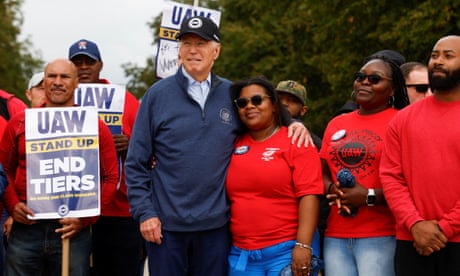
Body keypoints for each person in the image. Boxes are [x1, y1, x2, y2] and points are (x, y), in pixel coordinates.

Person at [125, 16, 311, 276]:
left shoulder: (231, 94)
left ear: (216, 51)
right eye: (187, 43)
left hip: (216, 228)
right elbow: (136, 163)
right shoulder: (157, 95)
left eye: (201, 43)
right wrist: (145, 213)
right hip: (165, 227)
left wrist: (293, 123)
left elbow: (263, 115)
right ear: (178, 50)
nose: (193, 50)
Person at [0, 58, 119, 275]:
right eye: (51, 76)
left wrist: (86, 219)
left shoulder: (94, 125)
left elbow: (111, 177)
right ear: (43, 82)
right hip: (26, 228)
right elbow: (3, 169)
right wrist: (12, 204)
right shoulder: (20, 122)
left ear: (76, 84)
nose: (57, 82)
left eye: (64, 77)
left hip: (72, 230)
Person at [320, 54, 409, 276]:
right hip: (336, 235)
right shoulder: (337, 123)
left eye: (375, 79)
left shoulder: (402, 121)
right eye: (360, 77)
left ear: (393, 89)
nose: (365, 82)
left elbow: (412, 182)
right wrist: (333, 190)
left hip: (381, 234)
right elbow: (320, 172)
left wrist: (368, 196)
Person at [226, 76, 323, 276]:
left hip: (285, 253)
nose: (250, 106)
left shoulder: (296, 140)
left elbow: (310, 195)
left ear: (274, 105)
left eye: (257, 100)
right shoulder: (232, 143)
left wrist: (303, 246)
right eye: (242, 103)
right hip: (242, 255)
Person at [380, 35, 460, 276]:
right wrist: (414, 224)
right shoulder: (402, 119)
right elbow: (391, 177)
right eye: (434, 55)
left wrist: (444, 228)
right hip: (411, 239)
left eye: (448, 56)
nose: (438, 61)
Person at [68, 38, 143, 276]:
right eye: (76, 62)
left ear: (100, 65)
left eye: (88, 61)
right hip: (72, 210)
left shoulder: (125, 101)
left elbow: (149, 146)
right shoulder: (61, 101)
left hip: (119, 210)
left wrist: (131, 145)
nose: (83, 67)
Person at [276, 80, 322, 149]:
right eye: (279, 99)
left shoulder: (309, 140)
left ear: (303, 110)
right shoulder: (259, 126)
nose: (284, 103)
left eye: (292, 101)